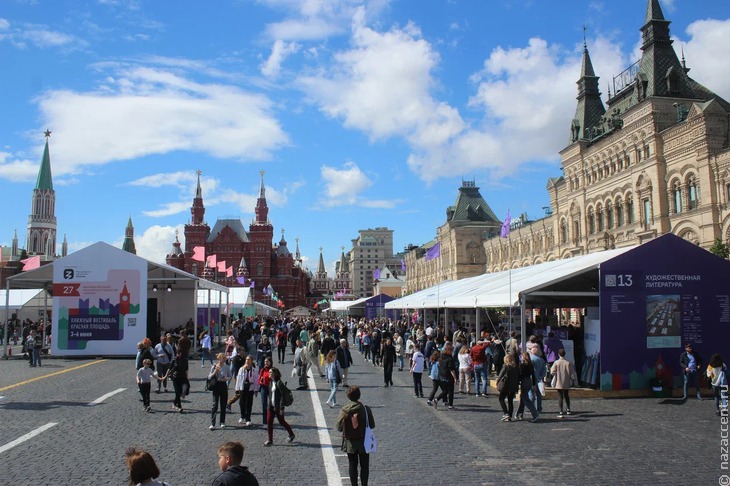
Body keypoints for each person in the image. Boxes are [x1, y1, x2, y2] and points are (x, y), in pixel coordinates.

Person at [336, 386, 375, 486]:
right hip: (364, 442)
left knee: (352, 465)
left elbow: (339, 427)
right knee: (364, 466)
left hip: (350, 443)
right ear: (359, 395)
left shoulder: (344, 410)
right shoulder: (365, 409)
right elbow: (372, 425)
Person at [264, 367, 295, 446]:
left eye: (270, 373)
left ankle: (291, 434)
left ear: (275, 374)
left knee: (282, 422)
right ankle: (270, 440)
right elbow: (270, 395)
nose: (269, 374)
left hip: (278, 407)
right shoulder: (271, 382)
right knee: (269, 422)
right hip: (271, 406)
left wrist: (281, 408)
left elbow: (282, 396)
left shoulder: (279, 383)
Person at [551, 348, 577, 418]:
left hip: (559, 381)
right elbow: (572, 373)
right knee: (566, 395)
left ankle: (561, 411)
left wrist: (556, 373)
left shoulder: (556, 362)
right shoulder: (568, 362)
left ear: (558, 354)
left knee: (560, 396)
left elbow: (552, 372)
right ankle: (568, 409)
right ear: (564, 354)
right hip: (566, 381)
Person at [209, 352, 232, 430]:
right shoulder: (214, 366)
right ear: (219, 358)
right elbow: (209, 377)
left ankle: (222, 422)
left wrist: (227, 378)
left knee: (223, 404)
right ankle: (213, 423)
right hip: (216, 386)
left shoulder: (227, 367)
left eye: (225, 358)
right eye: (223, 358)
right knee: (215, 405)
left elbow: (230, 376)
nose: (224, 359)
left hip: (223, 385)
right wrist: (215, 372)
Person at [235, 356, 260, 426]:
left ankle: (248, 419)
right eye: (246, 359)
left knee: (249, 403)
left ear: (251, 361)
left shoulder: (254, 370)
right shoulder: (241, 369)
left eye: (249, 360)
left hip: (250, 387)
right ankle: (242, 415)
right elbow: (239, 379)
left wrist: (256, 390)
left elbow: (256, 381)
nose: (247, 361)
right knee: (242, 403)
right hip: (243, 387)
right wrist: (237, 388)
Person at [515, 352, 540, 422]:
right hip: (529, 381)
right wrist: (534, 384)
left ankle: (535, 414)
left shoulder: (523, 365)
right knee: (523, 398)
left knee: (526, 399)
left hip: (524, 381)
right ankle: (519, 413)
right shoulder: (530, 364)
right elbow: (533, 375)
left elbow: (520, 375)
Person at [497, 353, 519, 421]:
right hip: (513, 386)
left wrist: (498, 382)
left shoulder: (505, 366)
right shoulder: (516, 367)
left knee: (501, 399)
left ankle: (505, 413)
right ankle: (509, 415)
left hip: (506, 385)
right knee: (510, 401)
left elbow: (500, 375)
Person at [436, 342, 457, 410]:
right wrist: (455, 378)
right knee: (450, 391)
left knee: (445, 390)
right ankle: (450, 405)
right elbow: (452, 370)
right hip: (448, 376)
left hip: (441, 376)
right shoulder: (450, 359)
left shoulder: (441, 357)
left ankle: (436, 400)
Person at [529, 346, 547, 413]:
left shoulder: (530, 359)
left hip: (531, 378)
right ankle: (539, 408)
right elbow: (544, 371)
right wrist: (541, 377)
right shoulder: (541, 360)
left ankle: (532, 408)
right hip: (538, 378)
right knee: (538, 394)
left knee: (531, 393)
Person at [258, 357, 273, 425]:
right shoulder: (262, 370)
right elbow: (259, 379)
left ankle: (270, 419)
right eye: (265, 361)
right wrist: (260, 382)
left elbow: (278, 378)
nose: (266, 363)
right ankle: (264, 422)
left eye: (267, 361)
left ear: (270, 362)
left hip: (271, 388)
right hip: (263, 388)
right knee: (264, 405)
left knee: (271, 405)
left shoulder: (273, 370)